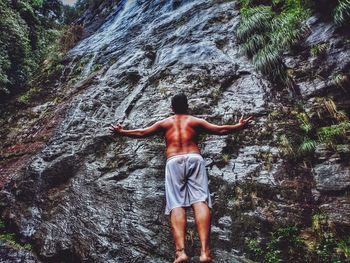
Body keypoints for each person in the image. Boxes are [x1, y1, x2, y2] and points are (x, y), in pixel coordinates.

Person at [110, 93, 252, 263]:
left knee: (176, 204)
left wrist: (121, 131)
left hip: (173, 160)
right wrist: (239, 126)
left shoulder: (165, 123)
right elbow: (220, 129)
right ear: (187, 107)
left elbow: (142, 133)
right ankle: (205, 253)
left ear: (172, 108)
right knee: (200, 201)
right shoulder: (194, 121)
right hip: (194, 158)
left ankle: (181, 252)